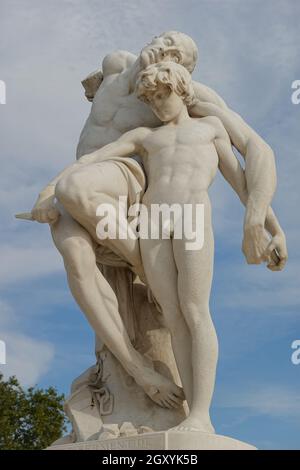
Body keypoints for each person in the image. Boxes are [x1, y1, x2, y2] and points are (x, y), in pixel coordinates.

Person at [49, 61, 286, 432]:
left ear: (181, 90)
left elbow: (241, 181)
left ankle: (201, 415)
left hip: (191, 216)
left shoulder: (210, 129)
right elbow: (91, 159)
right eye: (151, 98)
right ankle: (192, 414)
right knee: (174, 317)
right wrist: (50, 193)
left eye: (164, 95)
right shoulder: (145, 136)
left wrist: (273, 227)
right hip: (153, 223)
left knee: (195, 311)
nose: (158, 103)